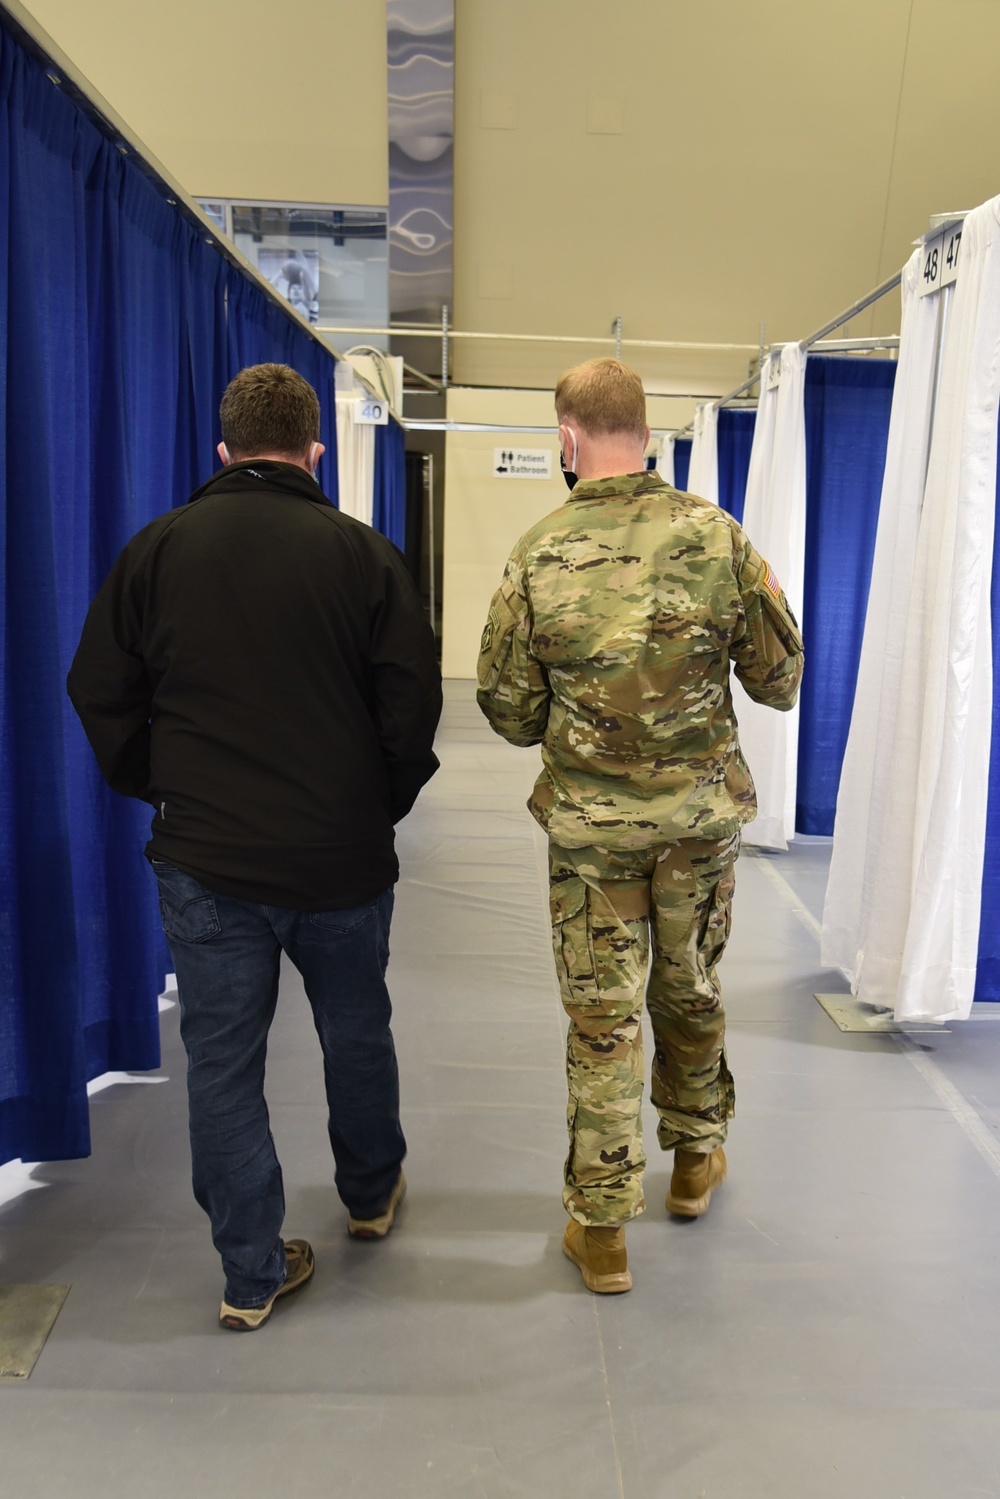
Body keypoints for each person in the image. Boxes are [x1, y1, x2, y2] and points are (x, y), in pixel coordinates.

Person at [68, 363, 442, 1330]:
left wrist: (160, 782)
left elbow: (98, 688)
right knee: (356, 1032)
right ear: (315, 451)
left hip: (208, 859)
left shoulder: (158, 550)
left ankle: (249, 1274)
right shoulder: (366, 557)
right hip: (340, 858)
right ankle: (369, 1196)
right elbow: (412, 710)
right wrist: (376, 805)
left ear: (224, 450)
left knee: (223, 1063)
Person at [476, 358, 803, 1295]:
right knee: (691, 986)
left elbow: (504, 708)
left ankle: (604, 1227)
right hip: (700, 825)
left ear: (568, 441)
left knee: (602, 1019)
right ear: (648, 436)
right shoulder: (719, 535)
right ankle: (696, 1162)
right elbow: (781, 680)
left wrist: (587, 721)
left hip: (591, 834)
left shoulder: (539, 552)